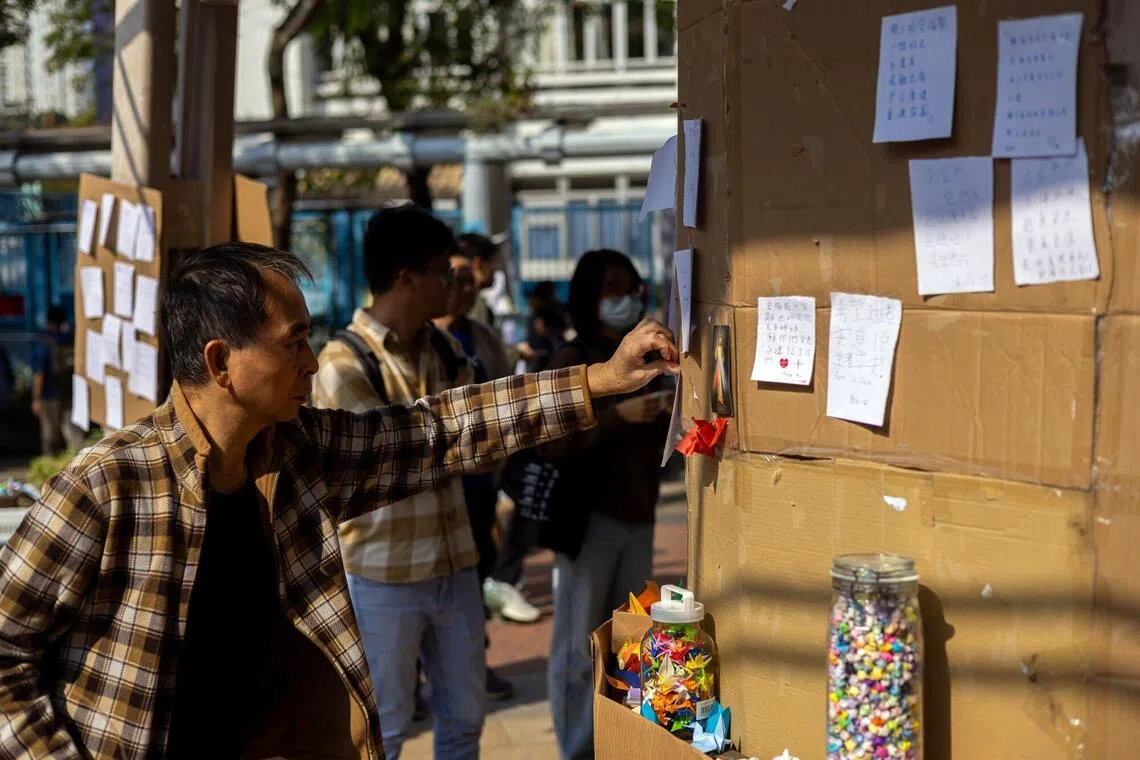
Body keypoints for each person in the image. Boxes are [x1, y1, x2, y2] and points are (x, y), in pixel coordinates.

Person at [0, 241, 678, 760]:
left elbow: (438, 430)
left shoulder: (295, 453)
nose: (312, 360)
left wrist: (598, 380)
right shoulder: (106, 487)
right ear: (219, 363)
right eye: (292, 341)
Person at [309, 207, 517, 759]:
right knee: (385, 732)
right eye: (442, 275)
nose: (454, 289)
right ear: (406, 279)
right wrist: (454, 446)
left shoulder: (445, 349)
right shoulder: (342, 363)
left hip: (457, 566)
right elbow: (389, 460)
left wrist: (451, 446)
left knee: (464, 723)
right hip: (383, 580)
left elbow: (481, 441)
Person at [543, 249, 674, 760]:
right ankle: (576, 749)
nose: (623, 300)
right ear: (587, 298)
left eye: (630, 288)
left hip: (638, 518)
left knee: (628, 644)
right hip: (587, 522)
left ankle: (617, 745)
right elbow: (550, 444)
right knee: (579, 648)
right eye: (610, 289)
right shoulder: (570, 361)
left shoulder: (647, 360)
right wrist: (620, 417)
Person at [30, 305, 85, 455]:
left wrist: (36, 398)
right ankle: (79, 466)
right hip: (70, 394)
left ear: (48, 320)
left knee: (50, 437)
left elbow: (39, 373)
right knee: (74, 436)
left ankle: (50, 469)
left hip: (50, 397)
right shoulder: (72, 339)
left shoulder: (43, 341)